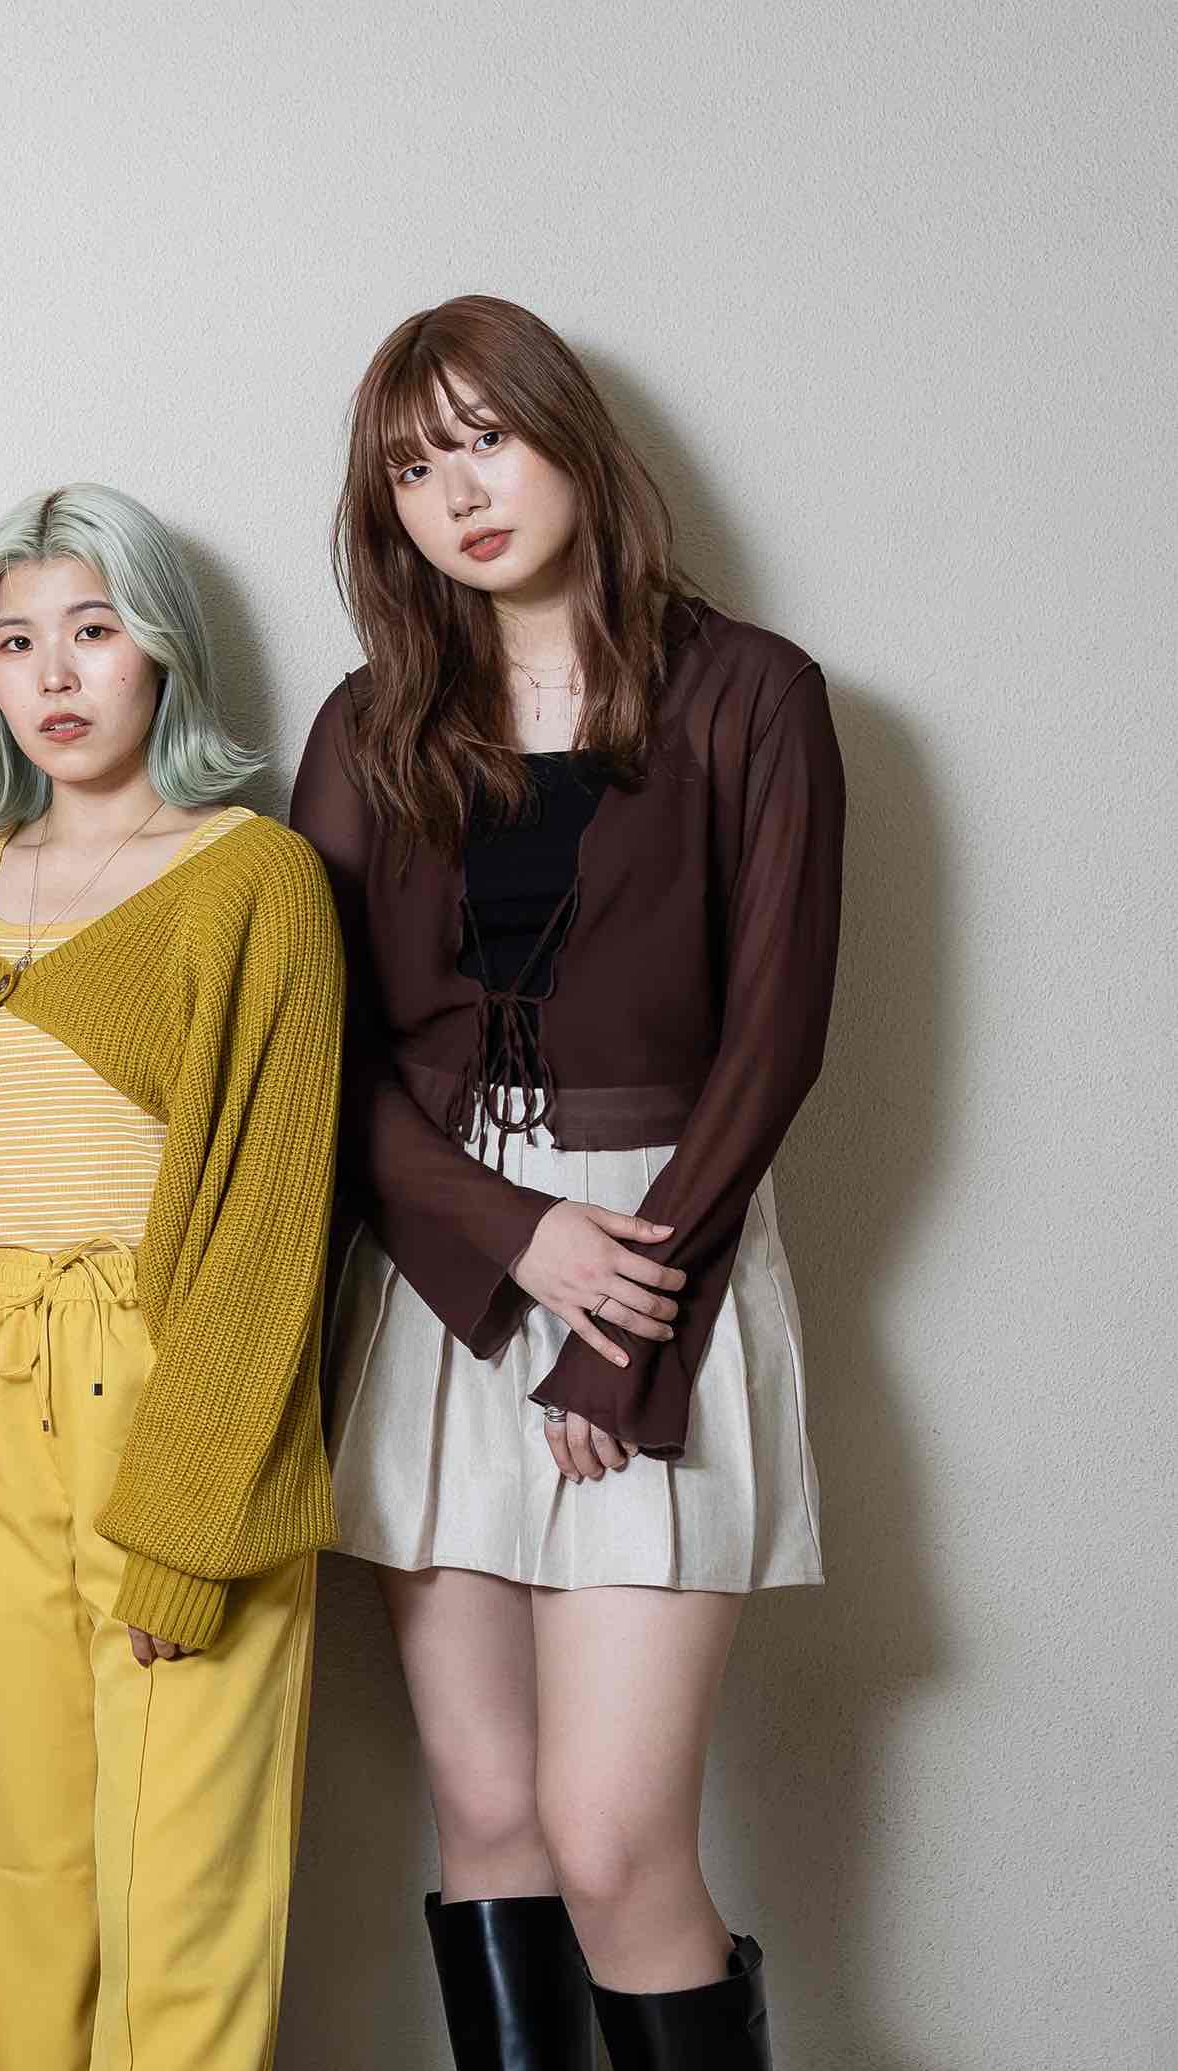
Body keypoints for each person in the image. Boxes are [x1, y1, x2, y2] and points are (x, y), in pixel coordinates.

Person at [293, 295, 840, 2070]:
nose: (457, 494)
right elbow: (332, 1059)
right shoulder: (369, 725)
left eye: (486, 440)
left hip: (669, 1265)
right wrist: (514, 1238)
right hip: (445, 1277)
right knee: (494, 1822)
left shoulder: (752, 694)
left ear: (572, 442)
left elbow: (775, 1043)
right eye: (412, 470)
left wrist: (628, 1331)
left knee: (614, 1845)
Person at [0, 483, 343, 2070]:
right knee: (4, 1881)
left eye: (95, 630)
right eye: (17, 641)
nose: (57, 673)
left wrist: (190, 1536)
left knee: (185, 1901)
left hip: (176, 1402)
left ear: (163, 651)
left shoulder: (253, 876)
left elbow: (274, 1233)